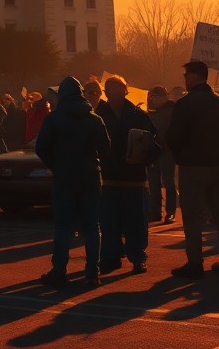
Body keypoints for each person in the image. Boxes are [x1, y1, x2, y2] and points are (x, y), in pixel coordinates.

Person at [35, 76, 110, 287]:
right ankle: (92, 272)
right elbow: (106, 148)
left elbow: (41, 148)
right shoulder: (94, 119)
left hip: (64, 177)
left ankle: (59, 271)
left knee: (63, 226)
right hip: (90, 176)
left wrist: (55, 165)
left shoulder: (54, 118)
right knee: (92, 226)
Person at [167, 61, 219, 278]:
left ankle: (195, 263)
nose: (185, 78)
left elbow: (173, 136)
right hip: (216, 164)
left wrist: (181, 152)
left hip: (193, 166)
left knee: (191, 216)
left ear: (195, 76)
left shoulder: (185, 104)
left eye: (187, 74)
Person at [96, 76, 159, 275]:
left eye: (117, 87)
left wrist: (144, 155)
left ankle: (138, 256)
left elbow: (154, 143)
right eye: (108, 88)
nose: (112, 91)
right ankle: (110, 257)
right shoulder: (98, 115)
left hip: (134, 177)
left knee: (136, 221)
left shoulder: (138, 114)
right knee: (109, 221)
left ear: (126, 89)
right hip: (108, 177)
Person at [145, 86, 177, 223]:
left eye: (153, 97)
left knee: (168, 183)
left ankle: (170, 212)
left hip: (166, 152)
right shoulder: (151, 113)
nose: (151, 100)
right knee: (154, 184)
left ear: (162, 97)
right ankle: (155, 211)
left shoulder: (171, 111)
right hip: (153, 153)